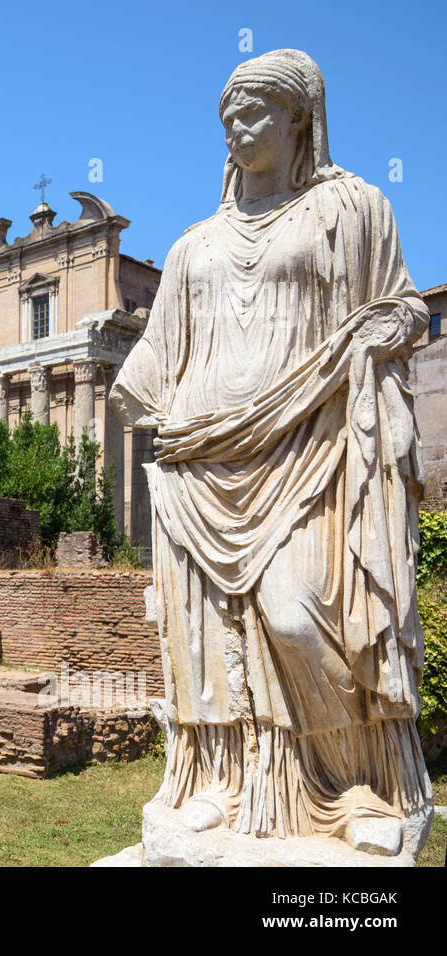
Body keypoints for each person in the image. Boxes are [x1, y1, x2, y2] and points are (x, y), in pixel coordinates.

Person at [110, 49, 434, 852]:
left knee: (298, 613)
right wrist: (131, 395)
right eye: (228, 118)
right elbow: (157, 349)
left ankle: (354, 782)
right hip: (201, 455)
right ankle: (221, 780)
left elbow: (401, 305)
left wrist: (388, 329)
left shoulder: (352, 208)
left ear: (300, 120)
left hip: (311, 443)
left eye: (255, 113)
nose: (237, 129)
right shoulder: (195, 244)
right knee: (206, 636)